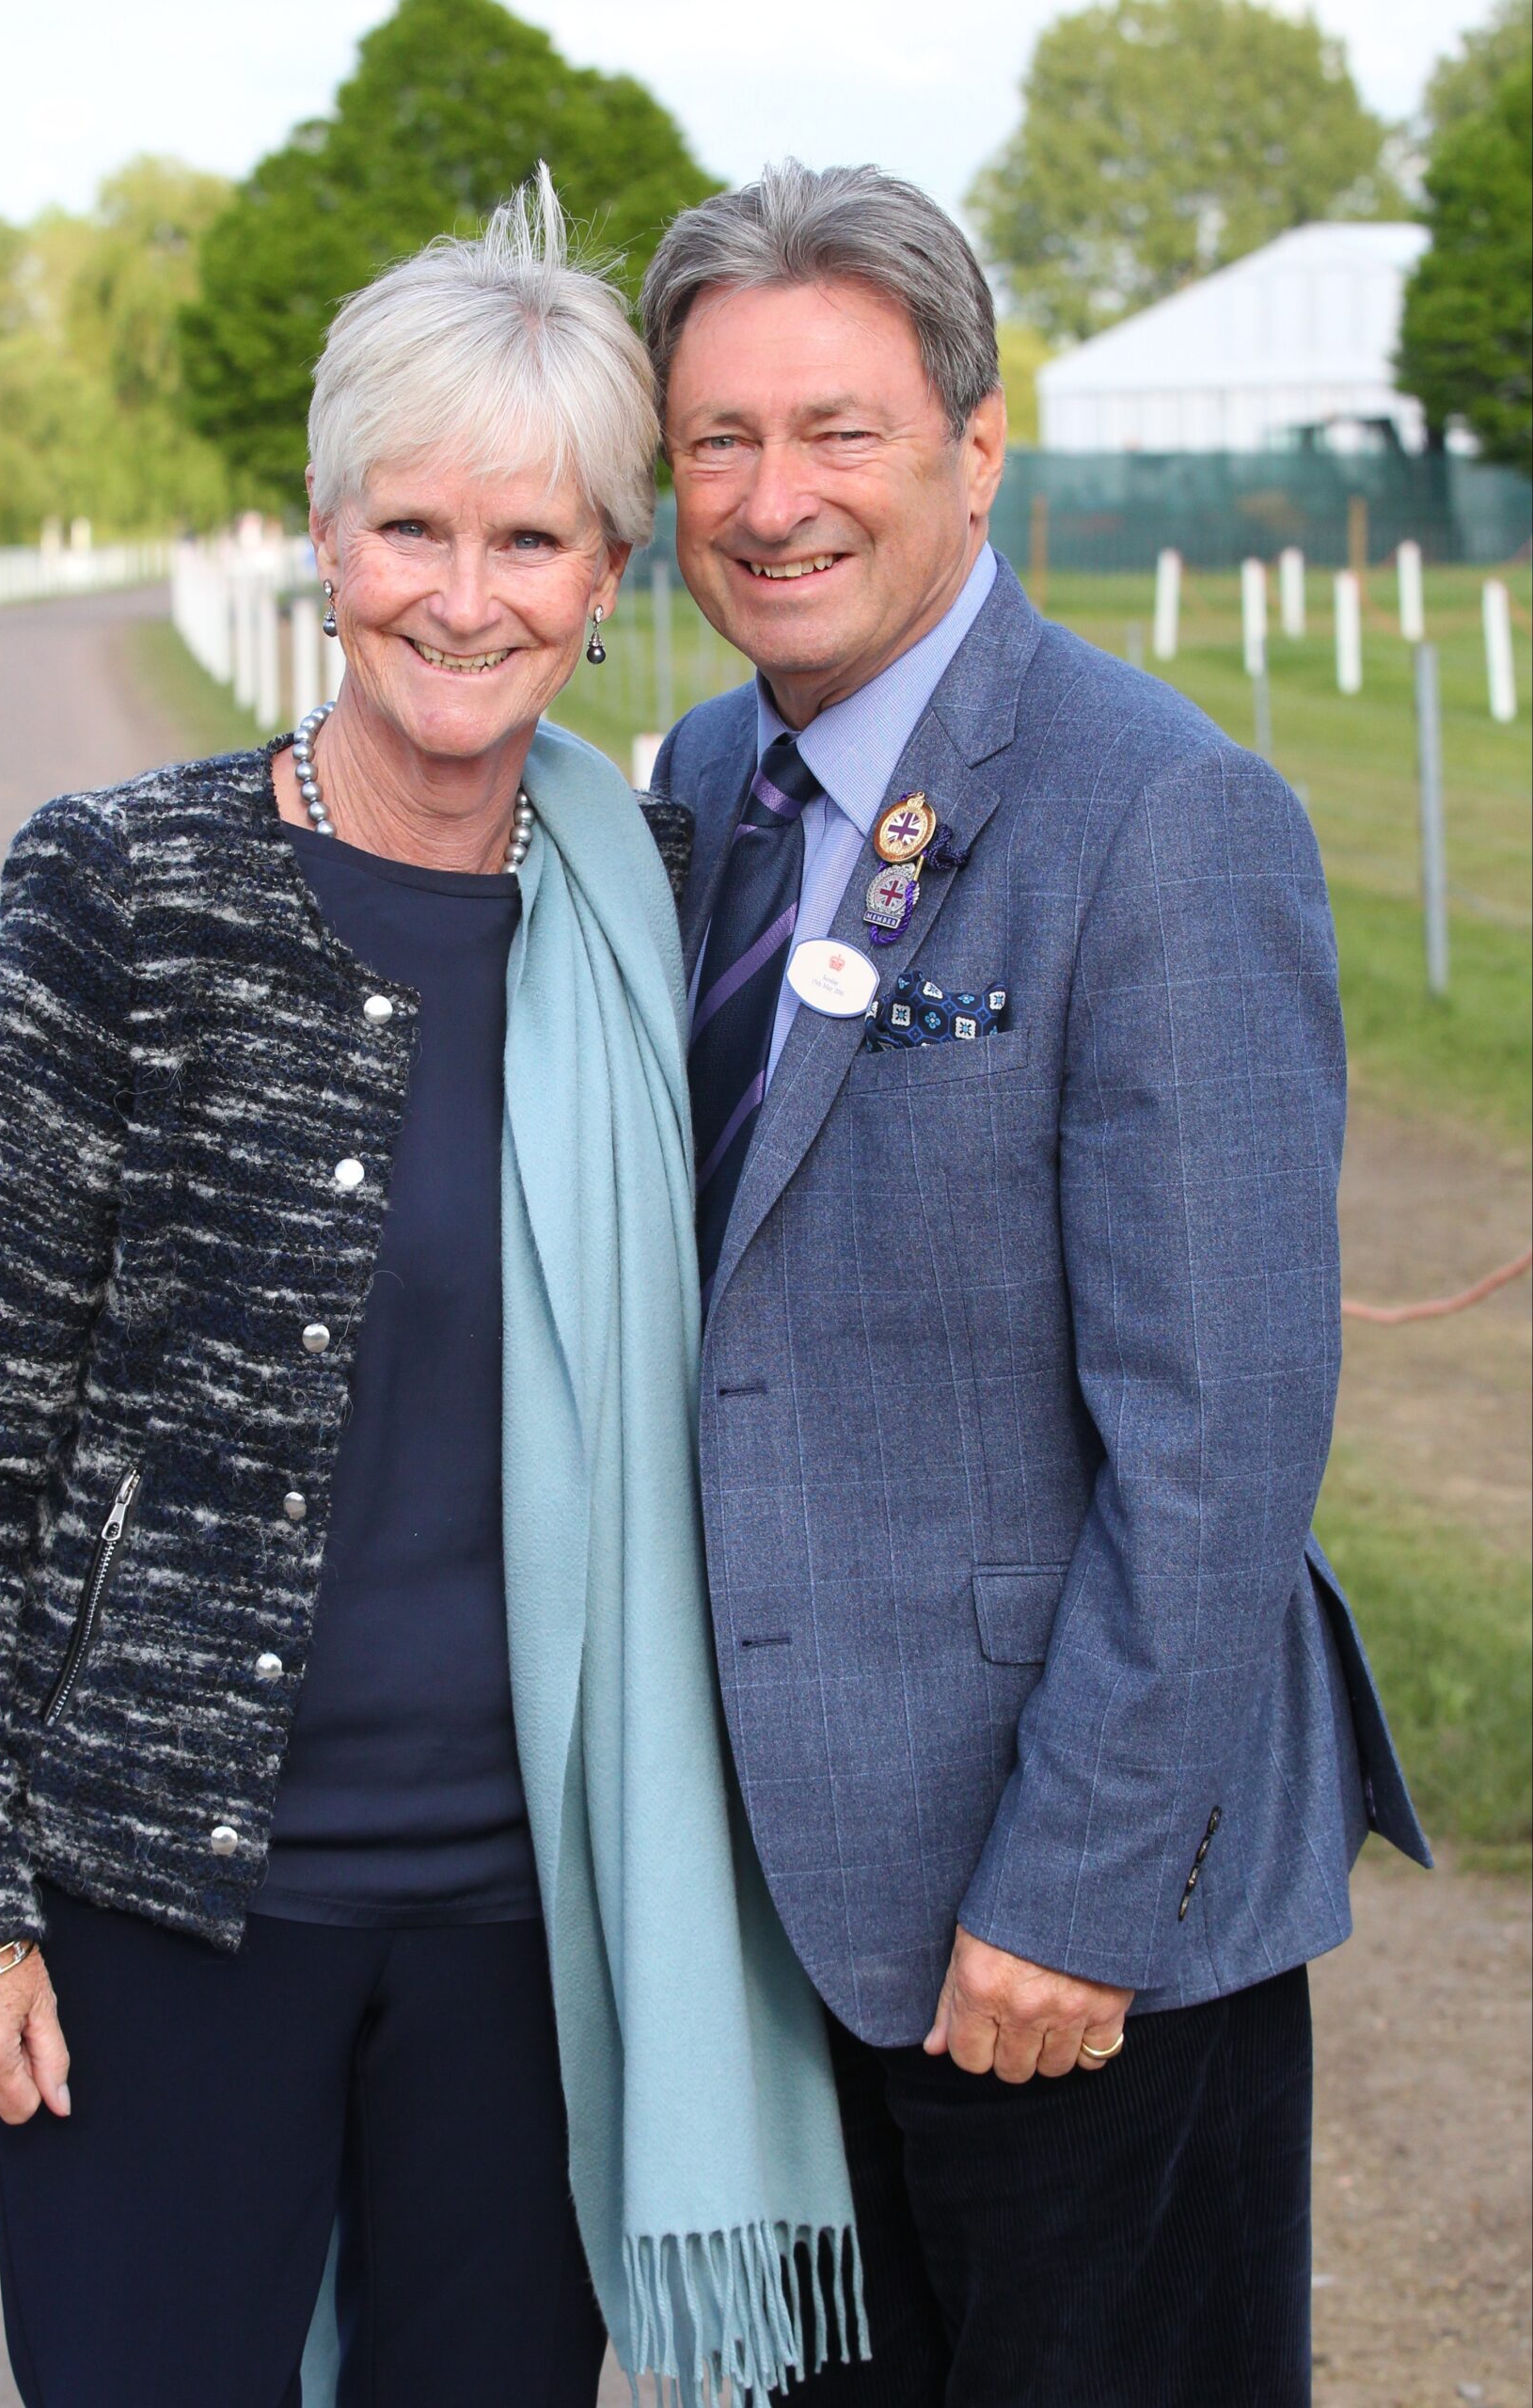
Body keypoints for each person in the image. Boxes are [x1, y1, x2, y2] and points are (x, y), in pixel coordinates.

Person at [0, 175, 861, 2408]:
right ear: (322, 536)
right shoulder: (125, 887)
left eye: (529, 542)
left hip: (530, 1919)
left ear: (608, 577)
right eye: (412, 527)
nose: (462, 597)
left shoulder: (666, 906)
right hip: (163, 1901)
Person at [642, 160, 1430, 2408]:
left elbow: (1219, 1435)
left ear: (977, 449)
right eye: (717, 441)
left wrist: (1068, 1890)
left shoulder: (1161, 818)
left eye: (837, 431)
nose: (771, 498)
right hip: (781, 1910)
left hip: (1059, 1917)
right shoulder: (703, 784)